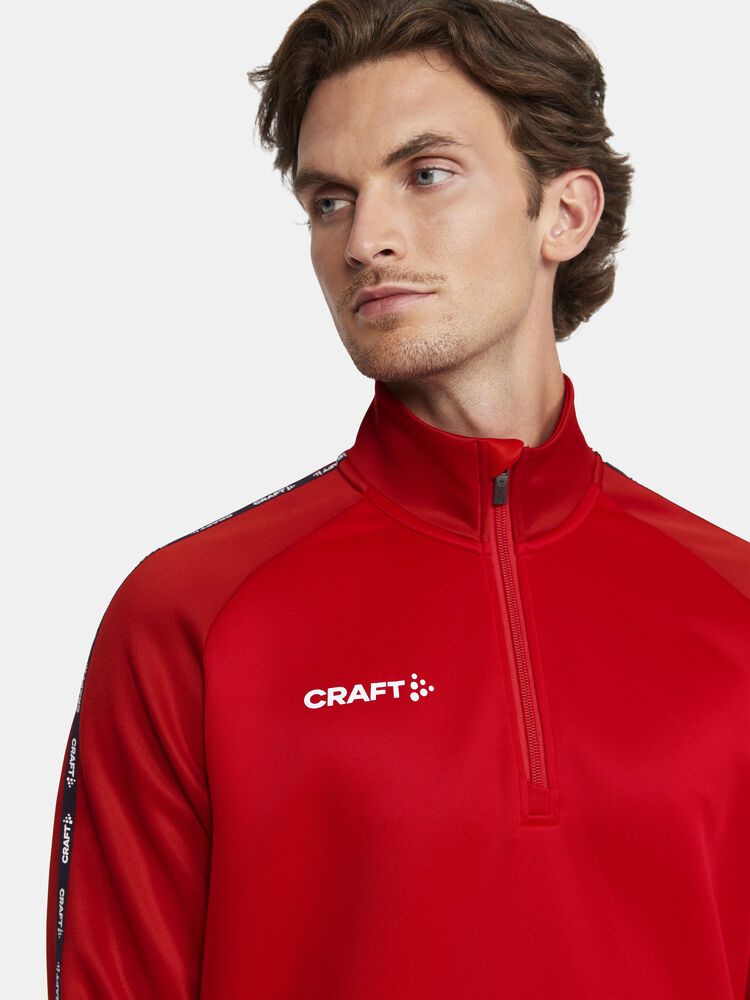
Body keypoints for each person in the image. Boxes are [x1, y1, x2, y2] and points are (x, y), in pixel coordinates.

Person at [46, 0, 750, 997]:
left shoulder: (733, 607)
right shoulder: (191, 616)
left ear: (564, 213)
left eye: (425, 174)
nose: (365, 239)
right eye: (330, 199)